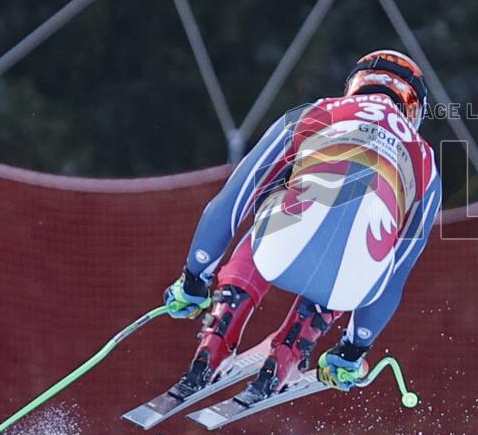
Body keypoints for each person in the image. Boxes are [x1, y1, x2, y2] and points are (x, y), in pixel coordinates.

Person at [162, 50, 441, 404]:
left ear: (354, 87)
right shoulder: (426, 160)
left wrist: (194, 277)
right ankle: (292, 349)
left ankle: (218, 335)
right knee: (370, 244)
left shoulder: (316, 111)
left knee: (276, 198)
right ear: (413, 107)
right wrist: (353, 350)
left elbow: (233, 202)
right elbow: (398, 270)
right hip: (351, 282)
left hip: (279, 250)